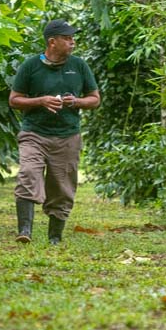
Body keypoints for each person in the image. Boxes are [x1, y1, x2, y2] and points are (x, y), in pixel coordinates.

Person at [8, 19, 101, 245]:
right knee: (29, 174)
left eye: (72, 38)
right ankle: (25, 231)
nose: (72, 42)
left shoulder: (79, 66)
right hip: (34, 134)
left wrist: (76, 102)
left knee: (62, 187)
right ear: (52, 42)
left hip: (68, 135)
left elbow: (95, 99)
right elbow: (14, 100)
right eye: (67, 39)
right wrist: (41, 101)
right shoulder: (30, 66)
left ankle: (55, 237)